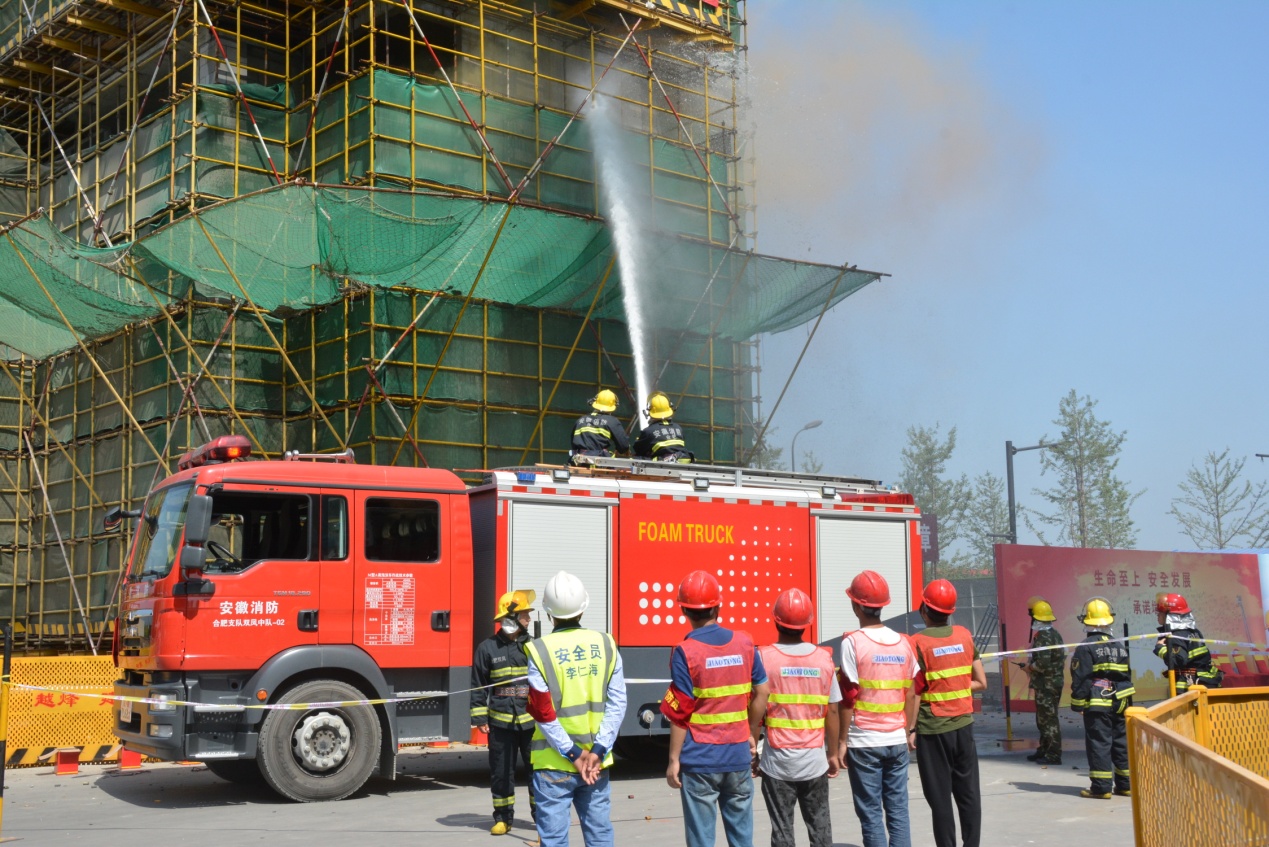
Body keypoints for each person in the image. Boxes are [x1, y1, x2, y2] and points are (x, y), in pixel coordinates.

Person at [661, 570, 770, 847]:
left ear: (684, 609)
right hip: (737, 757)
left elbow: (680, 712)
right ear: (718, 606)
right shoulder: (745, 643)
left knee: (701, 841)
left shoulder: (686, 651)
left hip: (700, 760)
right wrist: (750, 733)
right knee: (742, 840)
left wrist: (674, 759)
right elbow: (763, 691)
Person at [525, 571, 627, 847]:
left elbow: (543, 712)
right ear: (584, 607)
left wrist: (573, 753)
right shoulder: (606, 644)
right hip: (596, 763)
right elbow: (618, 703)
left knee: (555, 841)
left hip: (554, 764)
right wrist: (597, 751)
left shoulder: (539, 650)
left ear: (548, 613)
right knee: (599, 836)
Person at [837, 571, 919, 847]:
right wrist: (910, 729)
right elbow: (912, 691)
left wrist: (841, 741)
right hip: (896, 739)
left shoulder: (853, 642)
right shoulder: (904, 642)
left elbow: (849, 696)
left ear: (856, 605)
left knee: (871, 813)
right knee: (898, 810)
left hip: (864, 741)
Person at [756, 588, 841, 847]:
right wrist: (833, 753)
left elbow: (755, 705)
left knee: (781, 831)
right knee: (820, 829)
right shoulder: (823, 660)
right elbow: (834, 711)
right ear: (808, 623)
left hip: (777, 764)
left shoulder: (763, 658)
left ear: (775, 621)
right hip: (814, 762)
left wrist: (750, 744)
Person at [912, 580, 987, 847]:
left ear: (924, 609)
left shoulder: (917, 643)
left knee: (940, 799)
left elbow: (914, 692)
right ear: (950, 611)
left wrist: (910, 729)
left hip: (933, 729)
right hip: (964, 726)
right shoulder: (965, 635)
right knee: (968, 795)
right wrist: (956, 686)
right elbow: (981, 682)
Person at [471, 589, 539, 835]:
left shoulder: (533, 647)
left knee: (538, 774)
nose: (529, 620)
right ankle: (502, 818)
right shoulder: (487, 648)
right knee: (501, 773)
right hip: (500, 723)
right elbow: (478, 684)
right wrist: (479, 717)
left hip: (531, 722)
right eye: (524, 615)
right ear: (511, 618)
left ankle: (541, 818)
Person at [1069, 596, 1133, 800]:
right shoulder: (1119, 646)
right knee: (1121, 743)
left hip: (1098, 703)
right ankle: (1125, 785)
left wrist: (1078, 703)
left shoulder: (1086, 646)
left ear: (1087, 621)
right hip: (1120, 700)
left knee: (1099, 743)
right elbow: (1126, 674)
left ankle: (1101, 787)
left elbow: (1081, 678)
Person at [1020, 597, 1065, 765]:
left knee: (1049, 719)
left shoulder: (1044, 637)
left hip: (1047, 684)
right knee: (1043, 719)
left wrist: (1029, 667)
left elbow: (1043, 663)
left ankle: (1053, 754)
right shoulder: (1053, 634)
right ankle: (1045, 749)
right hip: (1050, 683)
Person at [1154, 593, 1222, 694]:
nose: (1157, 615)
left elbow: (1179, 660)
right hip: (1204, 682)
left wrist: (1160, 648)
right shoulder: (1194, 632)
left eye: (1160, 613)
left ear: (1170, 616)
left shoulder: (1176, 635)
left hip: (1189, 687)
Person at [570, 389, 630, 464]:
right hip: (600, 464)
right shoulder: (612, 422)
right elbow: (623, 447)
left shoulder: (580, 420)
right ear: (613, 406)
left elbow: (573, 443)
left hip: (578, 463)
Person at [634, 392, 693, 463]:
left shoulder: (649, 431)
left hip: (661, 465)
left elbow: (638, 449)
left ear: (650, 412)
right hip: (682, 462)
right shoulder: (678, 428)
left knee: (637, 458)